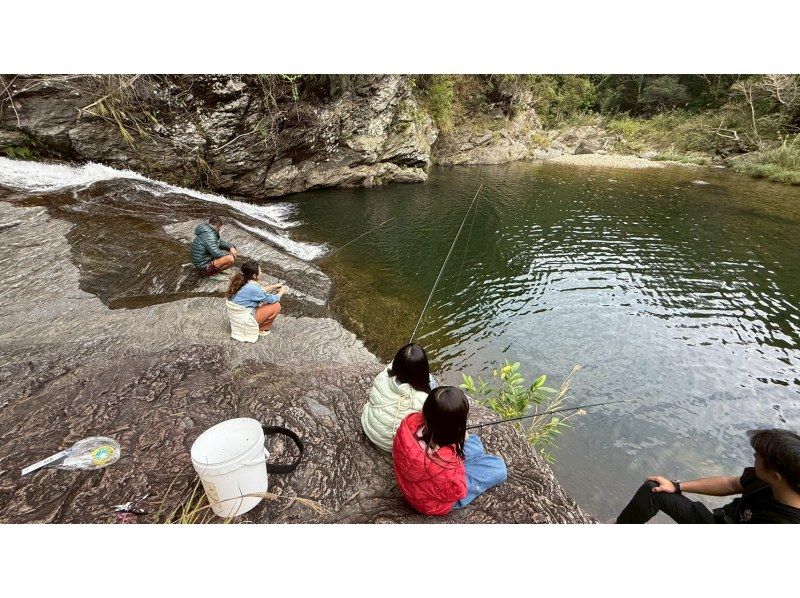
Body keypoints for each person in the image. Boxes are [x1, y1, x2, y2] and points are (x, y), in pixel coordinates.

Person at [615, 428, 800, 524]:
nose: (753, 457)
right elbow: (731, 484)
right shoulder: (770, 478)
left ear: (776, 476)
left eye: (757, 457)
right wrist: (677, 486)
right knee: (653, 489)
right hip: (718, 521)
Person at [392, 386, 507, 516]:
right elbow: (459, 491)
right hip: (432, 502)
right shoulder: (445, 464)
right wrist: (457, 465)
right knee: (499, 468)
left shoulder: (409, 425)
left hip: (419, 474)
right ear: (455, 427)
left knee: (474, 442)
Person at [361, 343, 437, 452]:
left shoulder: (382, 377)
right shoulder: (423, 399)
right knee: (432, 382)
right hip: (390, 444)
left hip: (368, 426)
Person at [225, 259, 286, 336]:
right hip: (244, 319)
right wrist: (282, 292)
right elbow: (273, 299)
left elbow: (260, 291)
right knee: (276, 306)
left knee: (263, 302)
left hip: (237, 316)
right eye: (260, 271)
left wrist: (274, 286)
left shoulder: (243, 279)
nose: (262, 273)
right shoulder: (252, 288)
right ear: (254, 275)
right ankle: (261, 329)